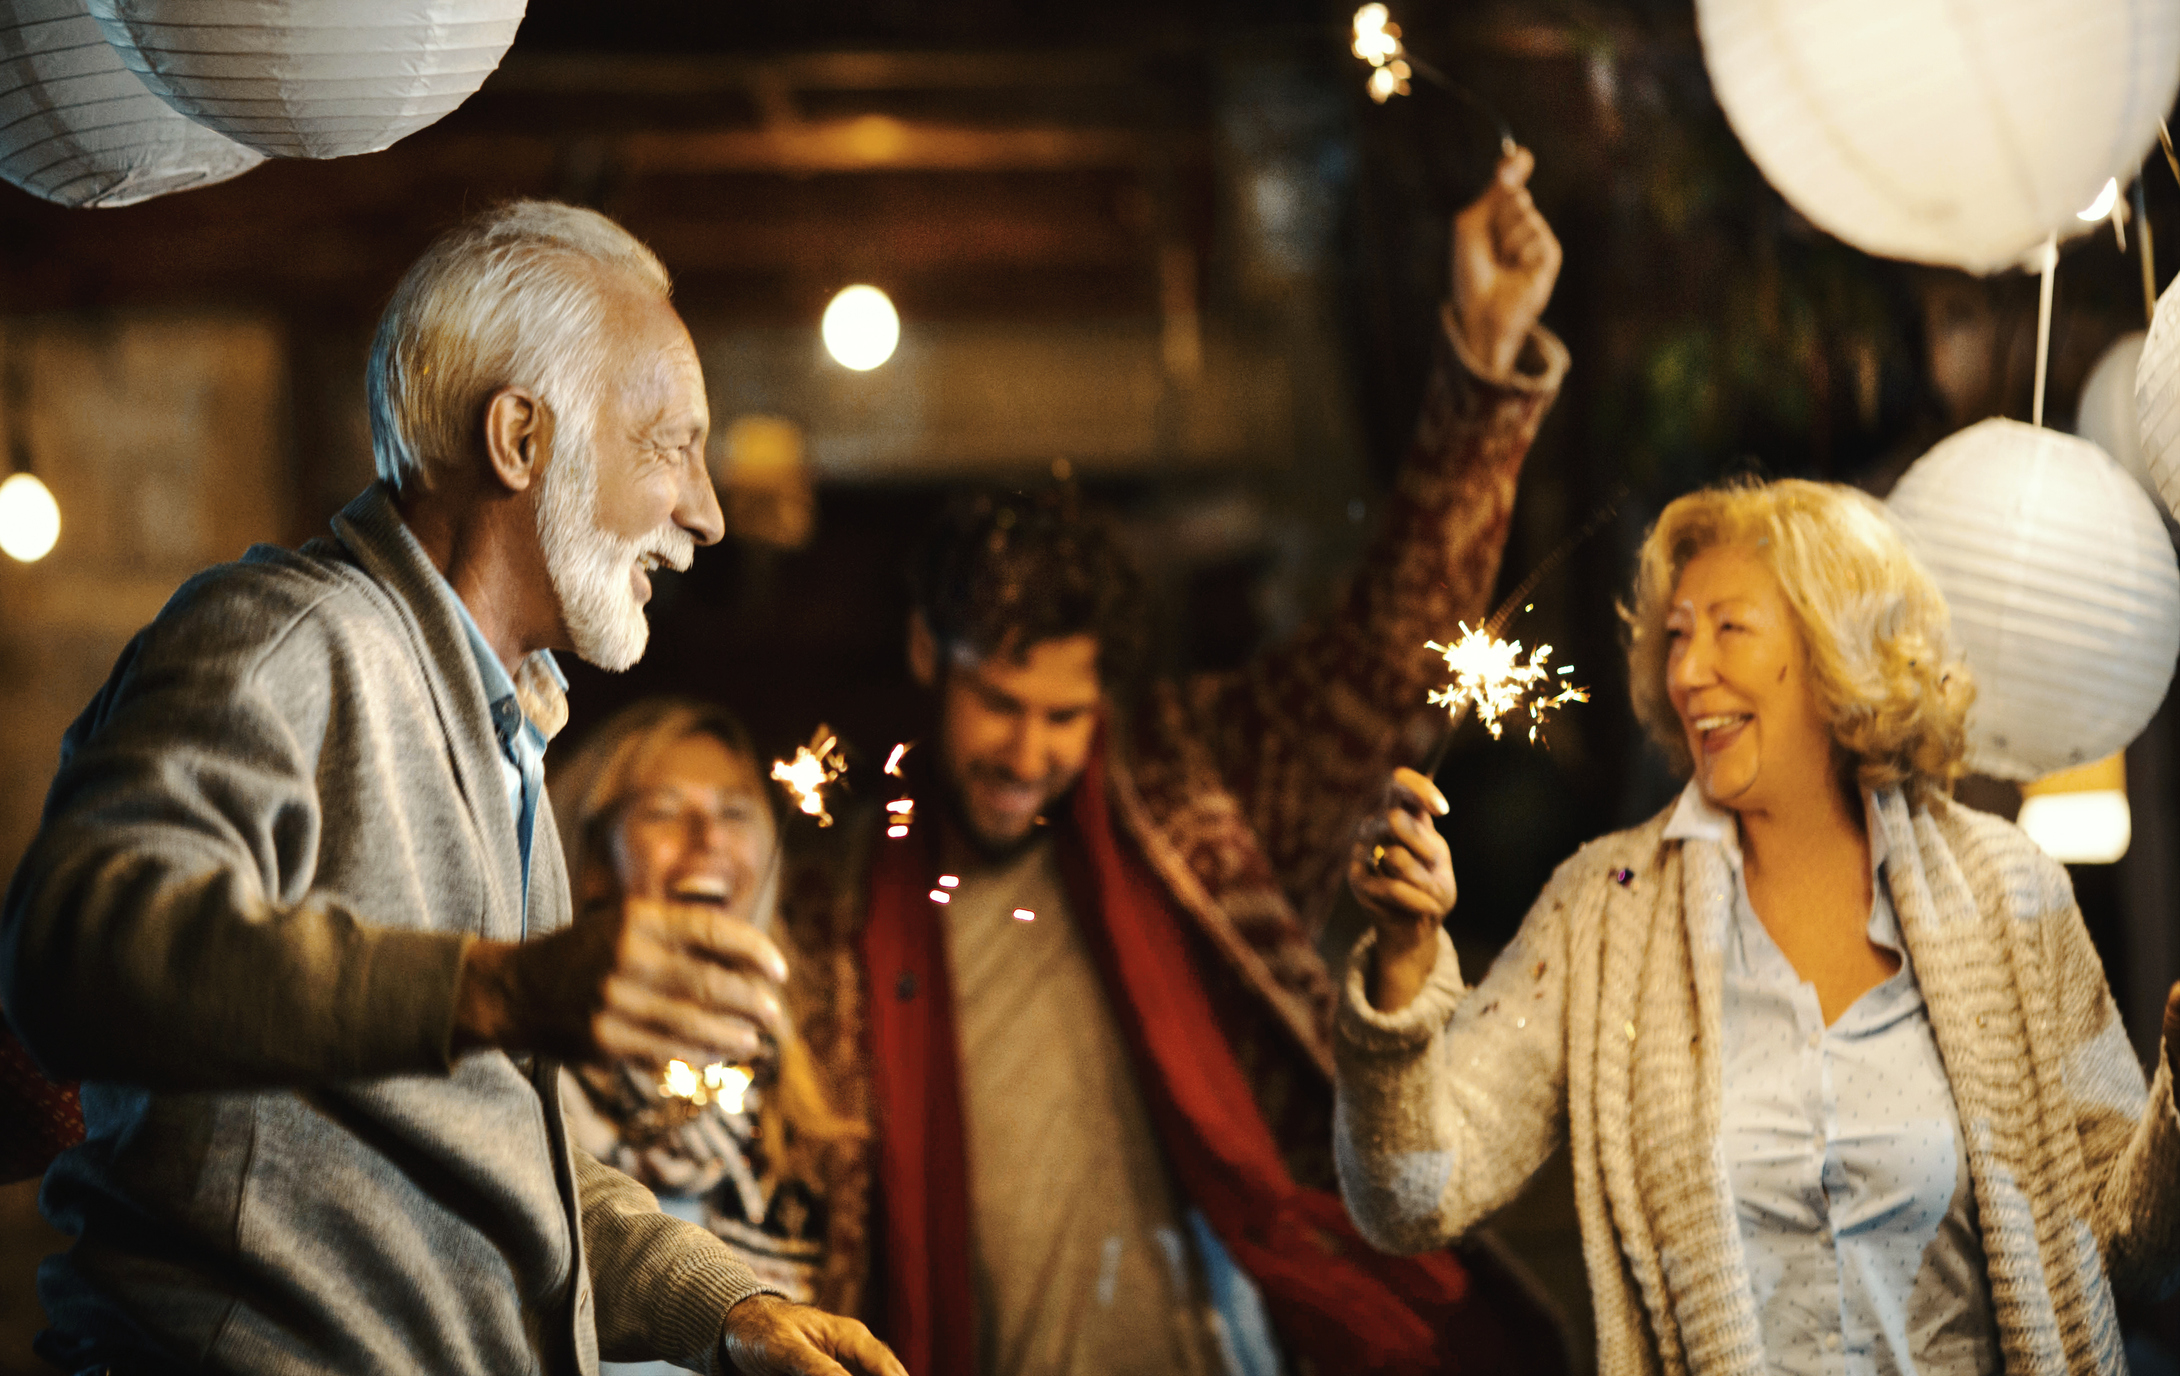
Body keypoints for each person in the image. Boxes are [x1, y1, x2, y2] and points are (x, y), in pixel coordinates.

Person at [0, 202, 901, 1376]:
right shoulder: (294, 642)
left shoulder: (503, 725)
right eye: (668, 445)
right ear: (520, 439)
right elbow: (71, 956)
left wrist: (721, 1309)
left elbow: (499, 1159)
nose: (706, 512)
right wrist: (503, 987)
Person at [776, 147, 1571, 1376]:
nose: (1027, 752)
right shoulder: (841, 887)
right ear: (927, 653)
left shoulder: (1186, 782)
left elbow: (1384, 656)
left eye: (1063, 713)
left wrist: (1475, 370)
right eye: (1000, 701)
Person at [1336, 477, 2180, 1375]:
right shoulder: (1603, 910)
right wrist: (1403, 961)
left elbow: (2131, 1252)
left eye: (1729, 628)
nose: (1690, 672)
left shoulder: (2009, 894)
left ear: (1835, 647)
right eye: (1677, 636)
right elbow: (1410, 1198)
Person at [547, 698, 867, 1343]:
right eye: (665, 810)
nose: (710, 838)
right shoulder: (539, 1067)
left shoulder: (823, 1083)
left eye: (734, 812)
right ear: (594, 865)